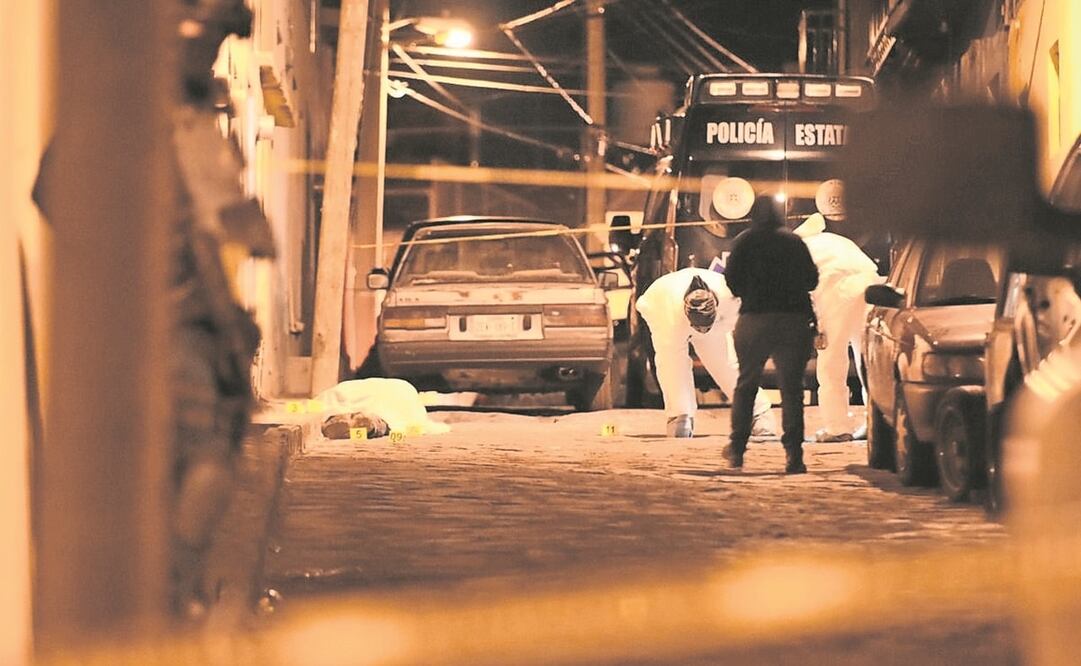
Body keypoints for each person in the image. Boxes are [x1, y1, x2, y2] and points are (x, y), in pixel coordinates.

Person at [723, 195, 819, 473]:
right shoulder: (794, 242)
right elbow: (811, 279)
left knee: (746, 385)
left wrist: (751, 292)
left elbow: (732, 280)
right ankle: (794, 455)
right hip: (793, 320)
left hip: (753, 318)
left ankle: (738, 450)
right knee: (792, 389)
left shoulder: (743, 242)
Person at [635, 267, 775, 438]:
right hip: (661, 304)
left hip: (719, 320)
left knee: (726, 363)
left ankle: (758, 413)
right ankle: (680, 417)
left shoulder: (734, 296)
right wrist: (681, 412)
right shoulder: (670, 313)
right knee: (672, 363)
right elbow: (672, 362)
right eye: (698, 327)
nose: (701, 331)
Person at [795, 213, 884, 442]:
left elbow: (807, 291)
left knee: (832, 360)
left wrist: (818, 327)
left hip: (835, 289)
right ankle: (877, 424)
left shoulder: (798, 249)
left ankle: (837, 427)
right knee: (869, 359)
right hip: (869, 283)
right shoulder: (834, 240)